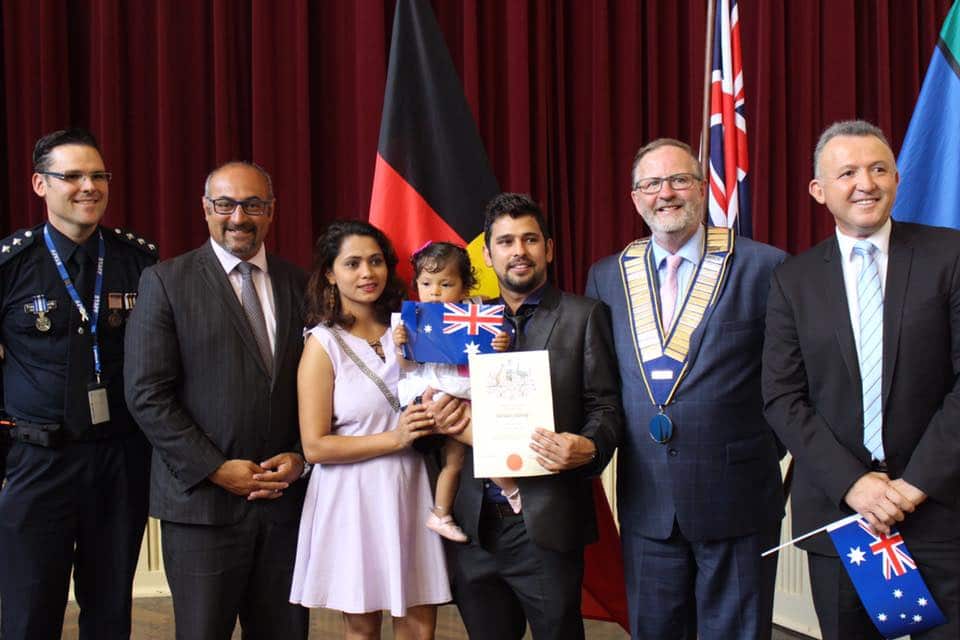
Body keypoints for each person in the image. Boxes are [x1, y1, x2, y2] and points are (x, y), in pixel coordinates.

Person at [763, 120, 960, 639]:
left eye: (877, 169)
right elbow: (783, 398)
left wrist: (912, 486)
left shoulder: (951, 256)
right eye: (846, 172)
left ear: (898, 177)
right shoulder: (792, 280)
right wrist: (854, 484)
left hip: (941, 509)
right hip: (841, 517)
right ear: (819, 190)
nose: (864, 184)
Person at [585, 138, 785, 639]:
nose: (666, 194)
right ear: (635, 198)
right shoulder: (608, 276)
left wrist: (751, 450)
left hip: (737, 497)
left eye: (678, 180)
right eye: (651, 184)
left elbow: (787, 380)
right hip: (648, 502)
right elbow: (600, 385)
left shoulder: (765, 267)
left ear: (701, 188)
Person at [123, 161, 309, 640]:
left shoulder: (301, 284)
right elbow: (146, 394)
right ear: (206, 210)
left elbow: (324, 390)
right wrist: (214, 468)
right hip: (202, 509)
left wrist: (302, 458)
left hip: (286, 505)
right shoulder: (166, 281)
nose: (238, 217)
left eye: (253, 205)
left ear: (272, 212)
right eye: (225, 204)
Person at [440, 193, 622, 640]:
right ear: (487, 255)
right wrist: (433, 414)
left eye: (529, 239)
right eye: (505, 241)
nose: (518, 251)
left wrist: (591, 445)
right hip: (474, 525)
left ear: (549, 248)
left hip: (547, 522)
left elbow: (606, 405)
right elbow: (431, 384)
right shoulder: (462, 319)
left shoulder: (584, 316)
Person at [0, 128, 157, 640]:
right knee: (28, 611)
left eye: (98, 175)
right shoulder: (10, 266)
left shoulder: (141, 263)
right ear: (40, 185)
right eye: (72, 176)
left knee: (111, 609)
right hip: (38, 458)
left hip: (120, 459)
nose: (88, 186)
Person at [290, 219, 452, 640]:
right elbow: (315, 446)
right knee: (361, 627)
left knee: (419, 619)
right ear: (330, 272)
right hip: (351, 495)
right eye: (353, 263)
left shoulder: (414, 328)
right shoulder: (321, 344)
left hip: (413, 485)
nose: (367, 273)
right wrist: (395, 437)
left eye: (376, 261)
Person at [393, 241, 512, 542]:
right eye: (426, 283)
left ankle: (440, 513)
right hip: (438, 392)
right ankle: (514, 488)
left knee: (456, 462)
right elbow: (406, 366)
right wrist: (399, 345)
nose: (434, 292)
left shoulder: (477, 310)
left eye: (445, 284)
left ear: (464, 286)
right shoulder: (413, 319)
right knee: (483, 443)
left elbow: (495, 348)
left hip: (470, 390)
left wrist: (501, 344)